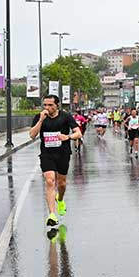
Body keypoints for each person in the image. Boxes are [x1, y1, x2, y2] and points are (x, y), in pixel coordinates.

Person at [29, 94, 82, 235]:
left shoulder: (65, 116)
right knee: (50, 181)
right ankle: (52, 215)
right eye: (45, 105)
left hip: (63, 154)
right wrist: (41, 120)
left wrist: (68, 137)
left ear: (57, 105)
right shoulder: (39, 117)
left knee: (62, 183)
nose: (47, 108)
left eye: (50, 105)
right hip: (47, 154)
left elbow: (78, 133)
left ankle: (60, 199)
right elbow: (32, 135)